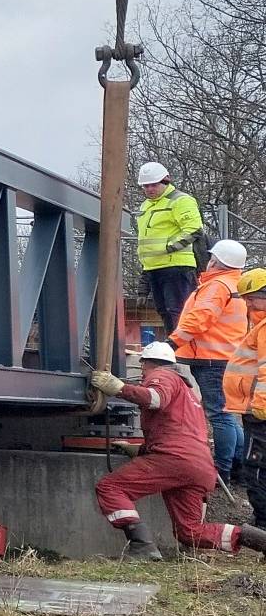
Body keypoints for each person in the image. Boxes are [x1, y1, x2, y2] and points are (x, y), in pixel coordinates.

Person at [91, 341, 266, 560]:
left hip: (174, 460)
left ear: (146, 364)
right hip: (200, 467)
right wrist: (139, 450)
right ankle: (255, 539)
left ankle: (141, 545)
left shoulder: (162, 376)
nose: (142, 372)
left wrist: (119, 388)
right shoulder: (189, 395)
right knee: (190, 532)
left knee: (110, 487)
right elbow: (177, 433)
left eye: (143, 367)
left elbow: (155, 399)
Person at [169, 238, 249, 479]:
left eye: (213, 258)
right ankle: (239, 466)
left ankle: (222, 471)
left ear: (218, 262)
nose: (209, 261)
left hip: (211, 359)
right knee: (228, 414)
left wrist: (171, 343)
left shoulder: (217, 286)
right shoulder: (237, 285)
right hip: (226, 358)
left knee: (220, 415)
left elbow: (200, 319)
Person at [133, 162, 204, 327]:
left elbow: (194, 230)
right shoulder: (146, 206)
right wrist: (143, 287)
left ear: (166, 182)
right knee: (165, 313)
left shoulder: (180, 201)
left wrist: (168, 248)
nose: (149, 189)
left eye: (154, 185)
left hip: (176, 267)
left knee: (178, 312)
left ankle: (180, 350)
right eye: (146, 186)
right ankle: (173, 348)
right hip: (154, 268)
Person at [231, 269, 266, 521]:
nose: (248, 303)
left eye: (252, 297)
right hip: (255, 410)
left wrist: (260, 406)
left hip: (260, 413)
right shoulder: (259, 325)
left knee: (256, 467)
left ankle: (263, 522)